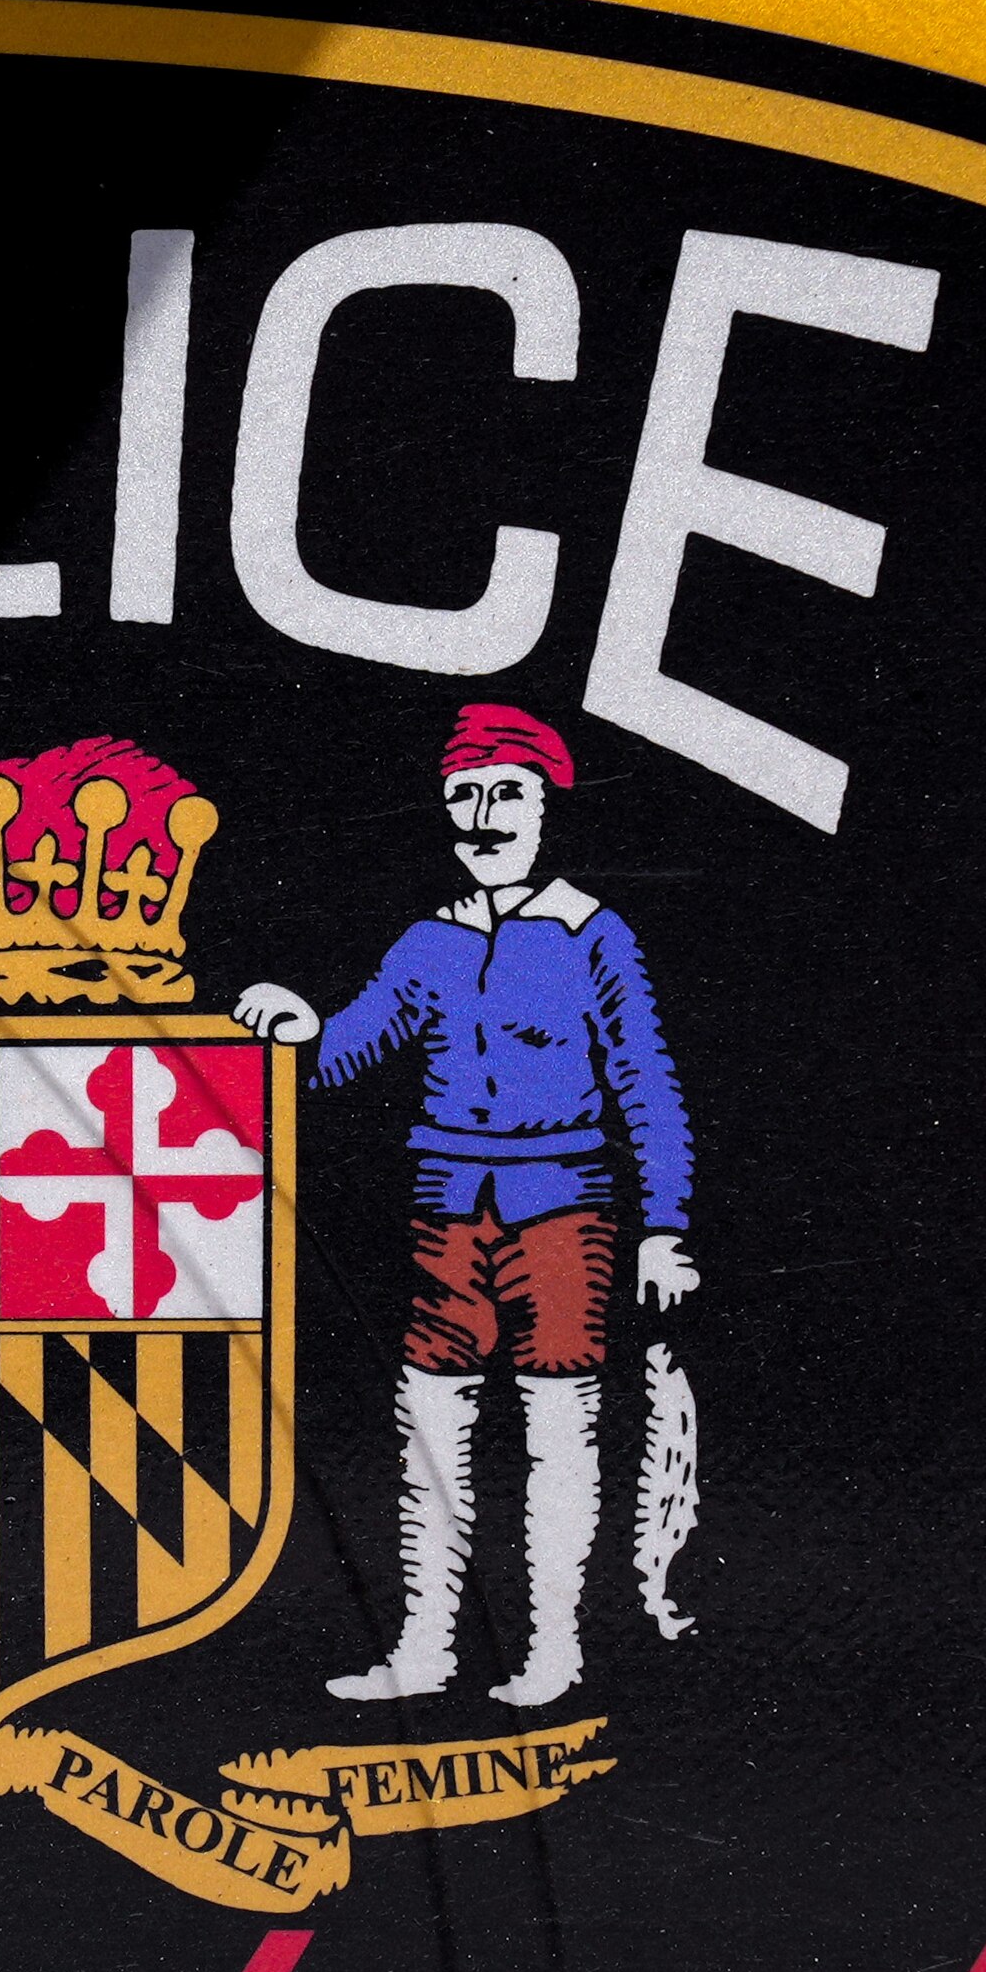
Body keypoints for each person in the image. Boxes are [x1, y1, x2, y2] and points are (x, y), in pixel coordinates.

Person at [235, 704, 694, 1707]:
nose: (484, 816)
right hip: (446, 1211)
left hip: (563, 1210)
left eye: (506, 794)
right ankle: (425, 1648)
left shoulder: (592, 935)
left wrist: (664, 1226)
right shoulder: (428, 942)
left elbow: (645, 1082)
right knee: (431, 1429)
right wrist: (296, 1028)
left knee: (558, 1431)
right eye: (465, 795)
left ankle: (553, 1650)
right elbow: (350, 1047)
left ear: (549, 808)